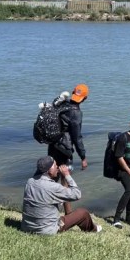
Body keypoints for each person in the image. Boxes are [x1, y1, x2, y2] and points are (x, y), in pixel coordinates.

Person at [21, 155, 100, 235]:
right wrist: (67, 175)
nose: (57, 167)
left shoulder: (30, 182)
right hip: (47, 230)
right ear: (49, 170)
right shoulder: (53, 187)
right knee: (83, 213)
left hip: (27, 227)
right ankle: (93, 230)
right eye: (55, 165)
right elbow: (77, 194)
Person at [47, 83, 89, 214]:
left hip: (53, 144)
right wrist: (83, 157)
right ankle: (68, 214)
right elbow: (77, 137)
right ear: (85, 98)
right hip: (65, 148)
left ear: (72, 92)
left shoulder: (62, 105)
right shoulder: (76, 113)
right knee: (65, 180)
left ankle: (47, 208)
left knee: (52, 176)